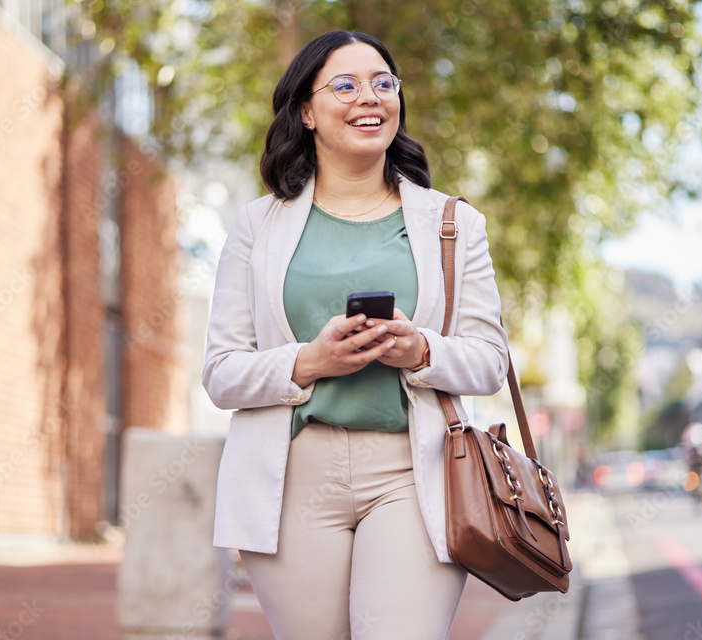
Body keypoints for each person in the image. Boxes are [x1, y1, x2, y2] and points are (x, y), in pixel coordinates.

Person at [201, 30, 509, 640]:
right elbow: (220, 372)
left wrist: (420, 349)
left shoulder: (453, 224)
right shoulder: (258, 225)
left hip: (412, 475)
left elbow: (490, 361)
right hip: (289, 479)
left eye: (382, 83)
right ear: (307, 112)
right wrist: (309, 362)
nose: (369, 97)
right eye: (345, 85)